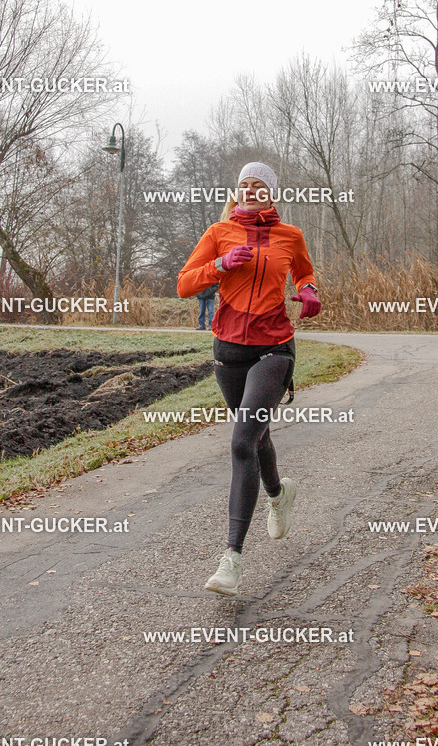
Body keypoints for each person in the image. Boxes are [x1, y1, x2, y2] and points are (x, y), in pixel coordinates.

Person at [177, 162, 322, 596]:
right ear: (236, 193)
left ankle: (231, 560)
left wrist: (310, 292)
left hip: (274, 345)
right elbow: (184, 284)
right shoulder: (219, 232)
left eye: (259, 186)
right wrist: (219, 264)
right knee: (257, 436)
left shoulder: (290, 236)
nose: (251, 191)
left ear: (271, 194)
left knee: (242, 440)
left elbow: (304, 272)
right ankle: (278, 494)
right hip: (228, 349)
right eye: (244, 186)